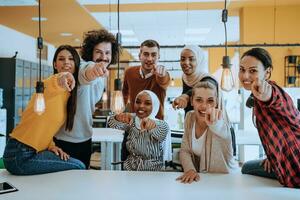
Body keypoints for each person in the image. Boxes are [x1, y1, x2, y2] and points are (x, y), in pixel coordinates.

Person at [3, 45, 86, 175]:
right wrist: (62, 77)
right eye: (61, 59)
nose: (66, 62)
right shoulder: (48, 85)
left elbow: (45, 127)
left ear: (76, 63)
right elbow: (56, 82)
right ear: (55, 64)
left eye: (71, 59)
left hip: (32, 151)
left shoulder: (67, 94)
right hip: (19, 154)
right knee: (79, 166)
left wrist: (51, 146)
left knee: (77, 165)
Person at [54, 29, 119, 168]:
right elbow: (86, 74)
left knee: (82, 181)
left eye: (107, 52)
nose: (104, 57)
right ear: (90, 52)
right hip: (64, 140)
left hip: (85, 139)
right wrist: (94, 70)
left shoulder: (102, 78)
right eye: (99, 52)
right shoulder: (82, 67)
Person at [239, 48, 300, 188]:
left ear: (267, 73)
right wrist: (272, 156)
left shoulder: (274, 92)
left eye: (253, 71)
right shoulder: (256, 99)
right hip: (281, 163)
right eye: (242, 69)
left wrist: (265, 96)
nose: (245, 75)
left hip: (295, 168)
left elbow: (273, 97)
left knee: (246, 168)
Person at [176, 77, 237, 184]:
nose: (204, 106)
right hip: (202, 181)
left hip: (226, 182)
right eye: (199, 100)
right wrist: (190, 169)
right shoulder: (190, 117)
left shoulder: (221, 120)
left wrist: (215, 123)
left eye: (210, 101)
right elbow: (185, 151)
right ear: (192, 101)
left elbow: (222, 129)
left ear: (216, 103)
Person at [108, 90, 169, 171]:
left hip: (153, 172)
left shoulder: (161, 124)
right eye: (138, 102)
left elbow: (162, 132)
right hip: (130, 169)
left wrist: (152, 125)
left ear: (155, 105)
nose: (141, 106)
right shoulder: (132, 120)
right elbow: (111, 123)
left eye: (147, 103)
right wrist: (117, 117)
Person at [122, 39, 170, 120]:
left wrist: (162, 74)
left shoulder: (161, 74)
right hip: (135, 125)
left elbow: (164, 80)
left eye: (153, 55)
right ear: (139, 56)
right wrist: (123, 111)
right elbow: (124, 94)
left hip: (156, 126)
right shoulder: (129, 72)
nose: (149, 59)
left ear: (159, 57)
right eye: (146, 54)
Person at [172, 45, 208, 115]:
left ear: (199, 61)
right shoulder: (185, 78)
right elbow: (185, 96)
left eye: (191, 59)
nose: (186, 62)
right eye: (182, 59)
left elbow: (202, 88)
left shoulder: (208, 79)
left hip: (207, 123)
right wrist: (180, 100)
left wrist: (186, 96)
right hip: (190, 121)